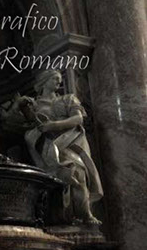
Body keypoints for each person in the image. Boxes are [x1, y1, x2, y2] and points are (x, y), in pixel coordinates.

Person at [23, 69, 103, 224]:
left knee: (77, 172)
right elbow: (27, 123)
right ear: (44, 82)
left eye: (60, 79)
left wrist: (53, 125)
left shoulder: (68, 98)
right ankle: (59, 217)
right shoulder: (35, 104)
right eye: (54, 79)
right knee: (55, 179)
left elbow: (78, 119)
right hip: (45, 145)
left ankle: (84, 214)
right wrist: (22, 107)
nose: (58, 82)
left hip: (69, 140)